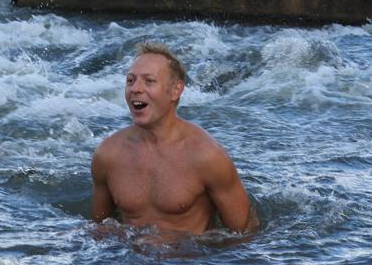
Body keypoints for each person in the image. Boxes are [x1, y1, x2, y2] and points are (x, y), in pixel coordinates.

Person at [91, 42, 256, 235]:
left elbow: (243, 234)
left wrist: (181, 247)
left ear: (175, 90)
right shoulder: (108, 155)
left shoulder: (206, 156)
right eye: (130, 80)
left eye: (149, 81)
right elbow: (98, 229)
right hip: (131, 262)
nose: (136, 88)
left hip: (190, 262)